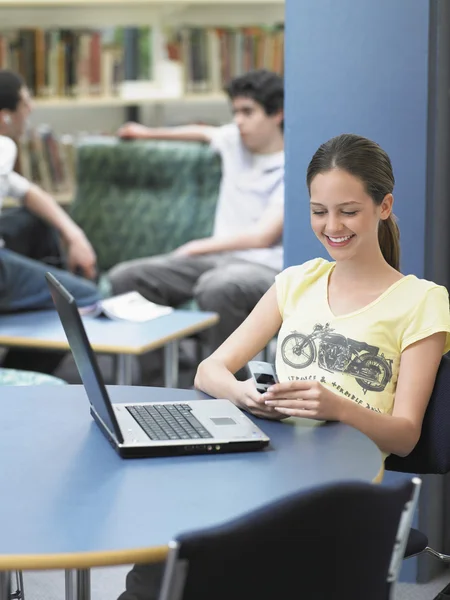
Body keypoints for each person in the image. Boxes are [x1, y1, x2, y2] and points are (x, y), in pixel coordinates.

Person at [117, 132, 450, 600]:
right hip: (265, 466)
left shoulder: (423, 301)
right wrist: (245, 394)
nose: (332, 225)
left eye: (348, 211)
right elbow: (209, 370)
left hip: (335, 489)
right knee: (159, 555)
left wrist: (337, 406)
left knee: (190, 564)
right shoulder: (296, 281)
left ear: (384, 206)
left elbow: (406, 435)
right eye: (319, 211)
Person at [109, 69, 284, 359]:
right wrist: (145, 132)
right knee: (127, 279)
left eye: (248, 112)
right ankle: (153, 381)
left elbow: (263, 236)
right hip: (216, 261)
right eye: (235, 112)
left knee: (218, 287)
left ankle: (229, 385)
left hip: (263, 267)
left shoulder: (292, 164)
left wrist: (196, 247)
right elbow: (201, 132)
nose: (238, 120)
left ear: (277, 113)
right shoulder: (233, 141)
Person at [0, 69, 100, 372]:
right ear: (5, 116)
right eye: (26, 102)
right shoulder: (4, 146)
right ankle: (23, 376)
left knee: (33, 218)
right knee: (83, 298)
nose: (30, 110)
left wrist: (74, 234)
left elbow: (27, 191)